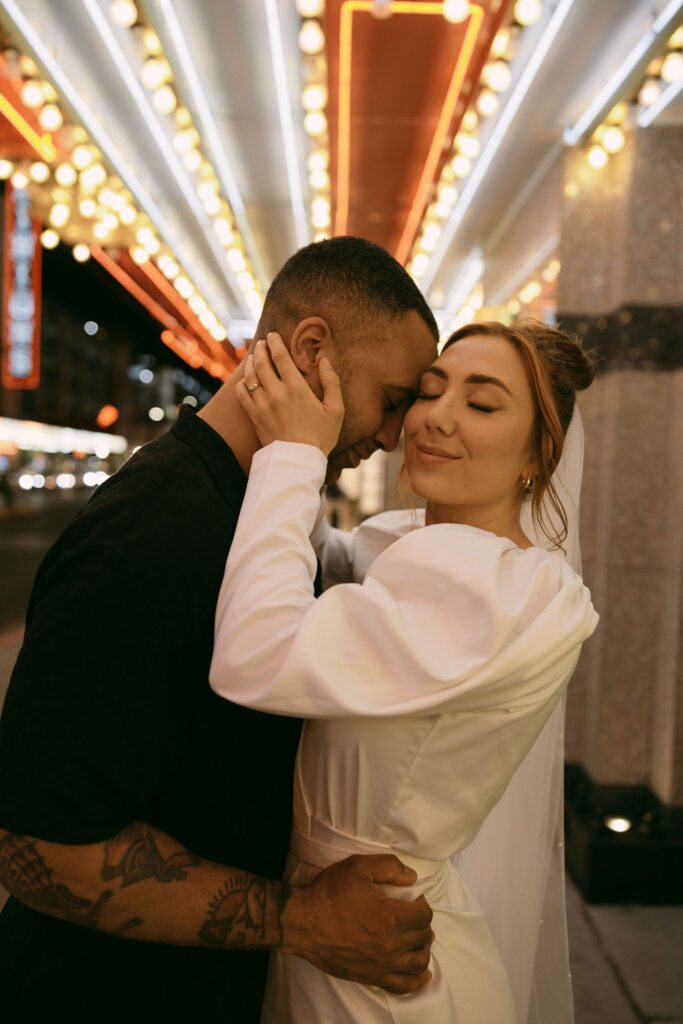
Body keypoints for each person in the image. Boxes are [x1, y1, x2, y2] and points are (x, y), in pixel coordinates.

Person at [0, 237, 439, 1019]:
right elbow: (39, 846)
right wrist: (303, 920)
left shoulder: (255, 516)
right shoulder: (150, 535)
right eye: (395, 399)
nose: (394, 435)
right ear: (311, 351)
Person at [209, 319, 600, 1023]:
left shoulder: (492, 593)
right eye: (427, 390)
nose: (436, 417)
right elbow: (343, 559)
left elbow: (255, 655)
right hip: (343, 923)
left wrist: (296, 452)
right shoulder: (427, 548)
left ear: (538, 456)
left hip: (378, 958)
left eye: (481, 405)